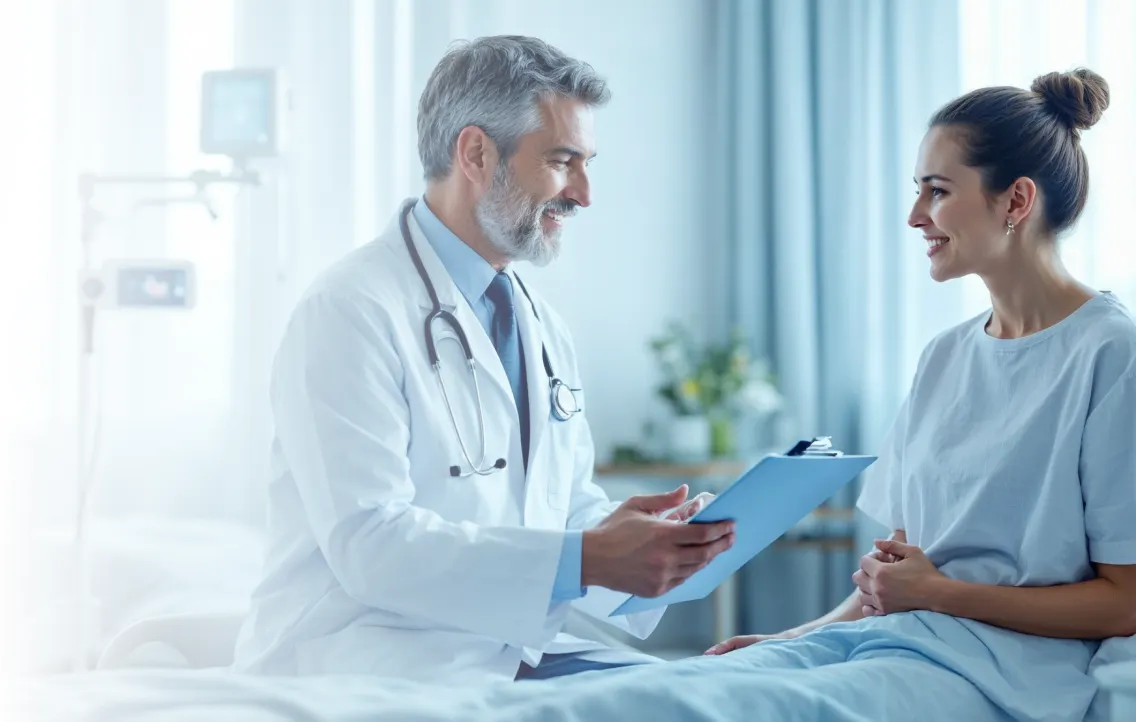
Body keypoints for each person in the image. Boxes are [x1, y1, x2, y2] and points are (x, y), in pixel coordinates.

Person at [625, 68, 1136, 722]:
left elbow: (1123, 601)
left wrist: (940, 594)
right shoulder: (945, 357)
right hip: (883, 642)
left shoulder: (1109, 355)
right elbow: (895, 577)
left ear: (1015, 201)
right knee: (683, 685)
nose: (915, 215)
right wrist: (794, 639)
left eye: (938, 191)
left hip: (1000, 676)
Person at [230, 35, 734, 683]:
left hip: (500, 654)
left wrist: (640, 541)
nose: (584, 194)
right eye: (562, 161)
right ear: (475, 154)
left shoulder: (538, 321)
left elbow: (557, 508)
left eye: (588, 164)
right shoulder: (350, 309)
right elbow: (370, 543)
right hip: (365, 660)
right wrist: (584, 558)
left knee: (707, 690)